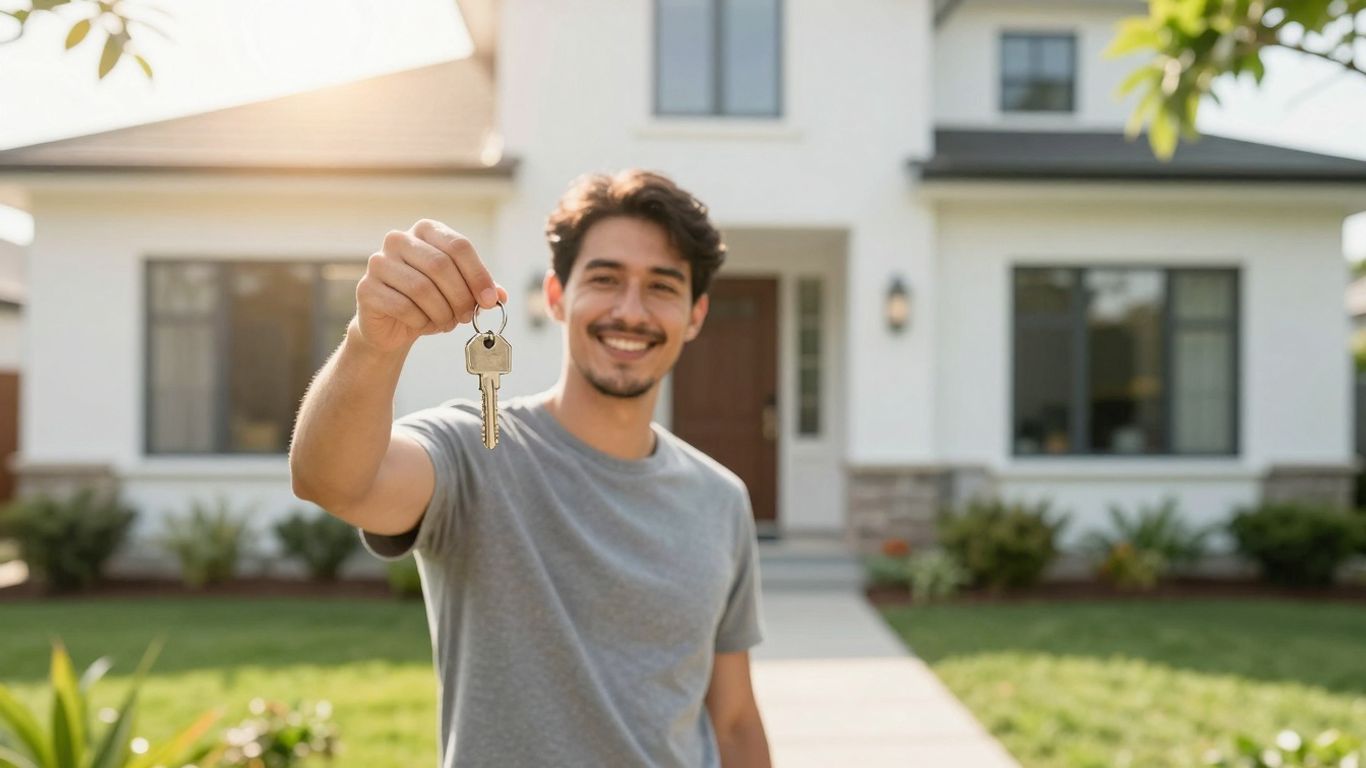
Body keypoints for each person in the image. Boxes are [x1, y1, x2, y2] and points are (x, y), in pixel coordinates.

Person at [289, 169, 772, 767]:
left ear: (695, 315)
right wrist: (373, 342)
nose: (630, 310)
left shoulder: (721, 499)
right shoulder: (474, 451)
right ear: (556, 296)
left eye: (661, 286)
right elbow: (332, 480)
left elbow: (734, 722)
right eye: (605, 279)